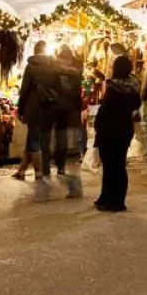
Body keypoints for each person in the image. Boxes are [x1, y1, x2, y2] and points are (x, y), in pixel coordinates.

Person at [93, 56, 141, 212]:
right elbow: (137, 105)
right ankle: (114, 198)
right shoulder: (133, 87)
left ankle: (111, 199)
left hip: (110, 130)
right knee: (119, 165)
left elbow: (105, 110)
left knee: (110, 166)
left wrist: (98, 124)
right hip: (125, 129)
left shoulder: (114, 88)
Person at [15, 41, 58, 185]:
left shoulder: (31, 67)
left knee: (34, 138)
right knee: (33, 136)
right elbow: (57, 87)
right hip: (48, 107)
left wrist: (20, 109)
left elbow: (24, 90)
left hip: (33, 107)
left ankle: (38, 172)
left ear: (35, 50)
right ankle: (21, 170)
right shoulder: (53, 66)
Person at [51, 44, 85, 197]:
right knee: (69, 136)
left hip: (57, 107)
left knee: (59, 135)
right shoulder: (76, 71)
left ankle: (59, 165)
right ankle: (69, 163)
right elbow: (77, 90)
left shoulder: (53, 69)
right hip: (72, 108)